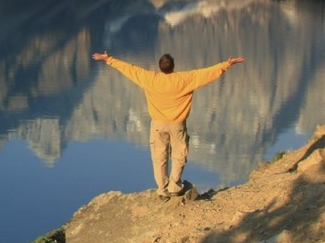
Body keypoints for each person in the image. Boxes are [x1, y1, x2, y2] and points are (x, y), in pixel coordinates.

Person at [92, 51, 245, 200]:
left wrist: (109, 59)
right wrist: (227, 64)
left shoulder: (150, 78)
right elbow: (207, 73)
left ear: (160, 67)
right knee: (179, 155)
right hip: (177, 124)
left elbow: (130, 69)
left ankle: (162, 189)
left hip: (158, 125)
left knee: (159, 157)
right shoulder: (185, 79)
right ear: (173, 66)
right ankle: (174, 186)